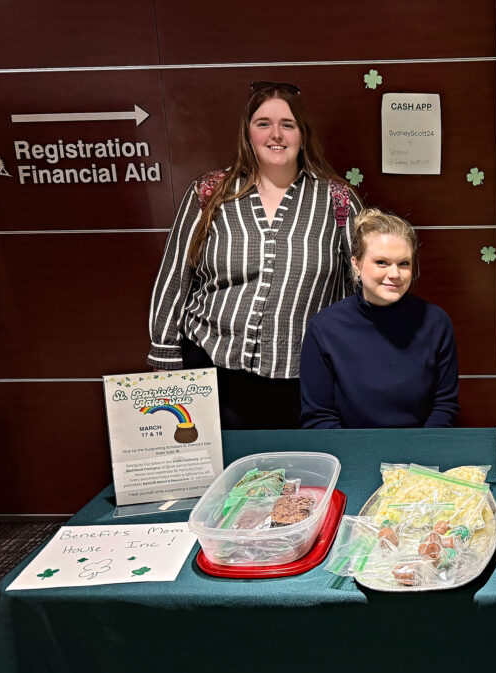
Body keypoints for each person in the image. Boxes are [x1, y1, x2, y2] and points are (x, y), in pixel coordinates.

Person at [147, 81, 361, 429]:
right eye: (263, 123)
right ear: (248, 134)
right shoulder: (209, 193)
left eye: (287, 125)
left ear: (302, 134)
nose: (276, 135)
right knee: (222, 478)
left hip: (304, 377)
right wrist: (164, 355)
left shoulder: (337, 199)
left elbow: (363, 283)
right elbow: (175, 275)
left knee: (294, 477)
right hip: (212, 370)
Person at [299, 209, 459, 428]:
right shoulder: (324, 328)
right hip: (350, 453)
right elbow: (319, 417)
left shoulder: (436, 322)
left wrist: (419, 459)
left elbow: (444, 406)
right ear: (356, 264)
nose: (394, 274)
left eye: (404, 263)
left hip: (419, 454)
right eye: (382, 262)